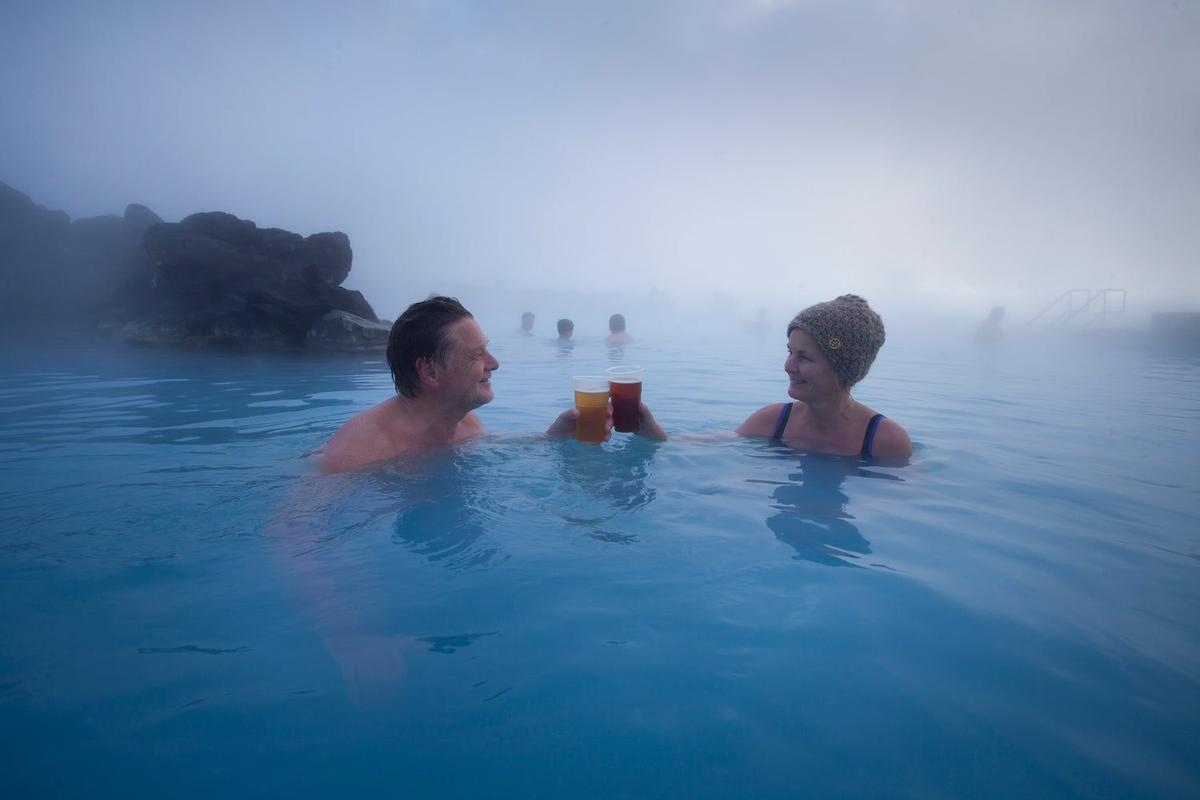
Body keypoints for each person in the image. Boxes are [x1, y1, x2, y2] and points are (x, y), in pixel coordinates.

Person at [321, 297, 607, 472]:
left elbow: (486, 445)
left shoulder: (465, 422)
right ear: (430, 371)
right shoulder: (356, 454)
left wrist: (550, 439)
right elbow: (297, 536)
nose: (494, 364)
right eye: (476, 355)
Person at [736, 295, 911, 459]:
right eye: (790, 351)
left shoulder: (885, 442)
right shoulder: (771, 422)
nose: (788, 367)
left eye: (804, 357)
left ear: (842, 368)